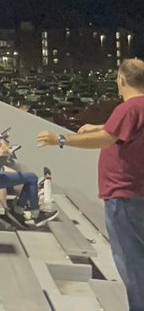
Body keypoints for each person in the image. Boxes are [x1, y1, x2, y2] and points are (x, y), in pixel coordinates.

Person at [37, 58, 144, 310]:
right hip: (137, 195)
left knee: (131, 265)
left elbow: (108, 139)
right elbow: (122, 131)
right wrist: (98, 126)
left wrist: (60, 140)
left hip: (123, 195)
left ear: (121, 79)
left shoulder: (128, 108)